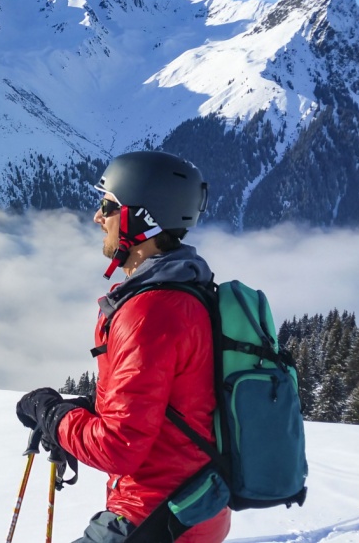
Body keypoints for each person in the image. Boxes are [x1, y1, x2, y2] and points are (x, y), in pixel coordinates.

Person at [16, 151, 231, 542]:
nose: (98, 217)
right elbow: (171, 408)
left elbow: (120, 447)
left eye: (108, 206)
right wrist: (84, 415)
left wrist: (51, 415)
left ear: (142, 217)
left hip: (152, 518)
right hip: (196, 507)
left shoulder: (150, 313)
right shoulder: (192, 294)